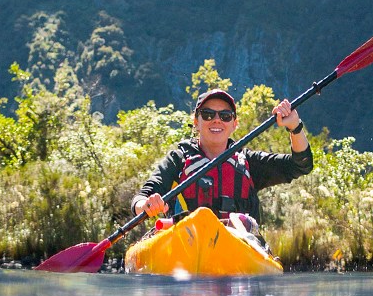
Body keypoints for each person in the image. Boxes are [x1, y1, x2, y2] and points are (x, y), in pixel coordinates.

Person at [131, 88, 313, 233]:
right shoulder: (178, 159)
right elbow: (141, 199)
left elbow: (301, 165)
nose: (217, 120)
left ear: (234, 124)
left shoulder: (248, 162)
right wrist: (146, 205)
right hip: (187, 242)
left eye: (225, 116)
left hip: (238, 246)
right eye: (208, 114)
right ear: (196, 121)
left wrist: (295, 127)